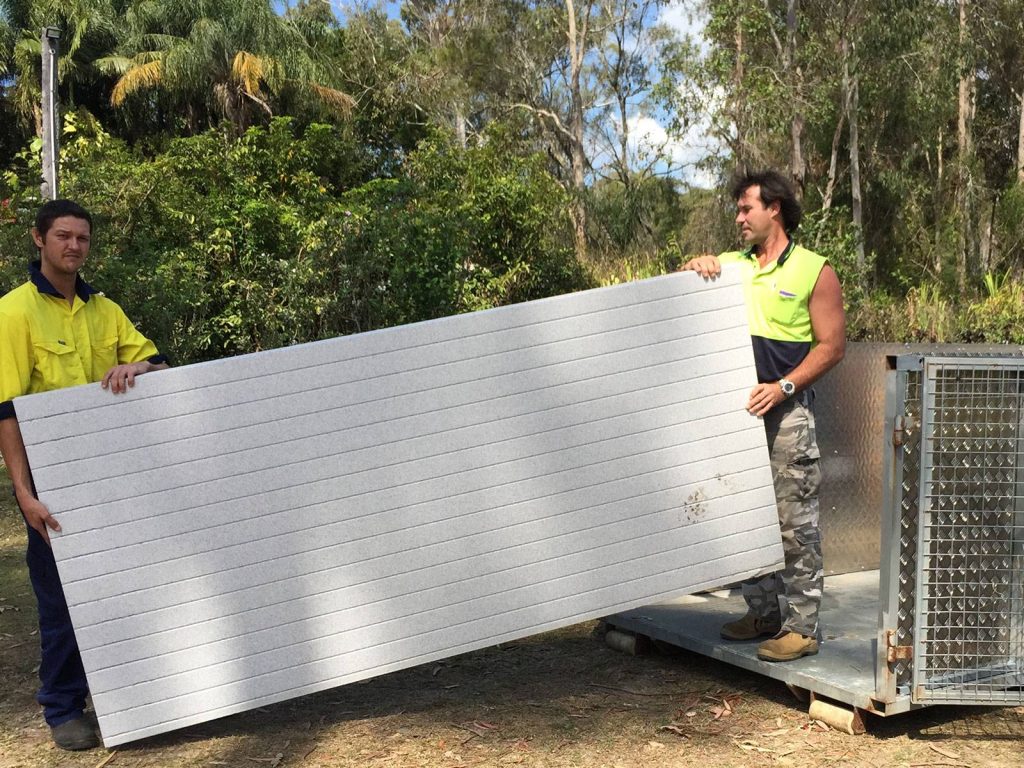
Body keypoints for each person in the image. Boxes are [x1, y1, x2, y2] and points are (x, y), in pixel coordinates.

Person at [0, 200, 169, 749]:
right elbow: (5, 412)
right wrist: (24, 494)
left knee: (125, 587)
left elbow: (161, 366)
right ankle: (63, 706)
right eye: (63, 236)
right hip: (55, 484)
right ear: (39, 240)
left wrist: (136, 366)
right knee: (60, 598)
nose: (74, 246)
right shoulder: (13, 313)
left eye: (83, 239)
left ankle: (128, 696)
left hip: (117, 480)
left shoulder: (106, 311)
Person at [682, 170, 845, 663]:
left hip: (786, 415)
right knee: (741, 516)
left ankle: (801, 628)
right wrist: (693, 266)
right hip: (735, 421)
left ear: (774, 208)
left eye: (745, 208)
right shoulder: (731, 267)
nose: (738, 218)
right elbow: (671, 298)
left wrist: (783, 388)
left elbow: (833, 347)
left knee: (794, 524)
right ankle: (761, 612)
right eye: (736, 210)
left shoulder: (814, 270)